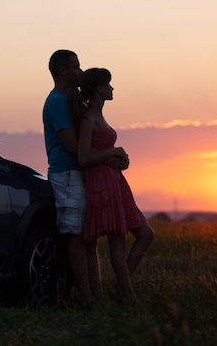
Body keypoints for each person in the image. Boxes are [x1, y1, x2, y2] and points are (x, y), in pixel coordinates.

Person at [71, 67, 155, 300]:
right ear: (98, 89)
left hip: (115, 181)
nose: (112, 88)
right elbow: (83, 157)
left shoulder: (99, 116)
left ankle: (120, 289)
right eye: (108, 85)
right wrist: (113, 151)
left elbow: (99, 152)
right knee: (117, 241)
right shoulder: (89, 119)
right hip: (102, 184)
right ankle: (128, 295)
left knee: (146, 234)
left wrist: (118, 159)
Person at [42, 50, 102, 307]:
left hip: (77, 173)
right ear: (63, 70)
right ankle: (87, 298)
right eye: (75, 67)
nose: (80, 71)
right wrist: (105, 156)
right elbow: (71, 145)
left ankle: (96, 295)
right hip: (66, 175)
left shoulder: (70, 99)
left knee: (88, 237)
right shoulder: (56, 102)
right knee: (76, 236)